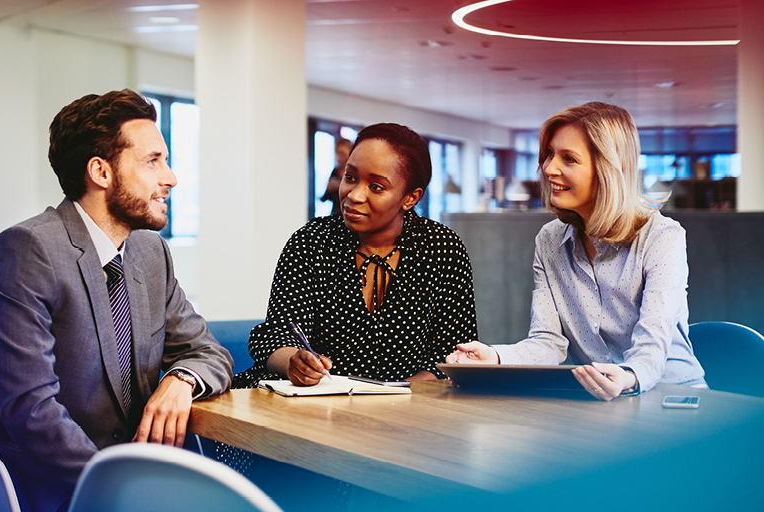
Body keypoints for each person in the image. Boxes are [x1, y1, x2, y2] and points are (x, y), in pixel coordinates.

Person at [0, 89, 233, 512]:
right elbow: (32, 412)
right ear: (101, 172)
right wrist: (121, 492)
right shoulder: (28, 251)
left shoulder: (149, 253)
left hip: (136, 475)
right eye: (153, 161)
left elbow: (210, 353)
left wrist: (181, 379)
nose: (172, 178)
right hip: (40, 484)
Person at [447, 102, 705, 399]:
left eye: (568, 159)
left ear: (608, 169)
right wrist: (493, 357)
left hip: (672, 397)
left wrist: (628, 376)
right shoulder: (549, 240)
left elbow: (652, 343)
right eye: (550, 155)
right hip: (600, 401)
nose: (548, 168)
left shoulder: (662, 237)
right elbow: (548, 343)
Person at [235, 123, 478, 389]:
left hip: (410, 407)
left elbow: (455, 354)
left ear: (410, 197)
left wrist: (392, 396)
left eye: (376, 187)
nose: (354, 194)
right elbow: (277, 334)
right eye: (350, 177)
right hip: (313, 402)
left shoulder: (441, 248)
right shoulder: (312, 242)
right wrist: (294, 361)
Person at [319, 137, 353, 216]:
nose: (340, 156)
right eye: (338, 153)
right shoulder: (335, 171)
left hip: (349, 212)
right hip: (335, 213)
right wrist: (329, 189)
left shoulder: (355, 172)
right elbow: (325, 198)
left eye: (342, 153)